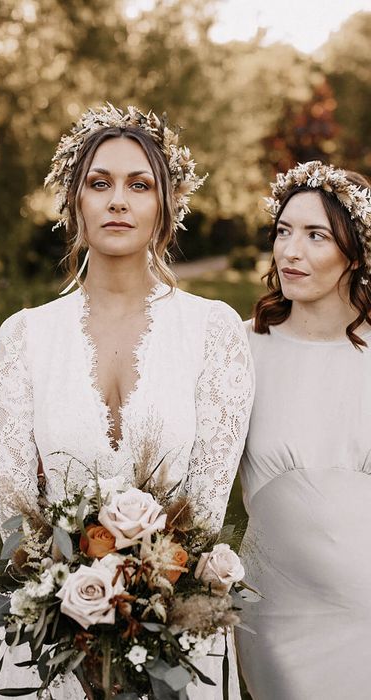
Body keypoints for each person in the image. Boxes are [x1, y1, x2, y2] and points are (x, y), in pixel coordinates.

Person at [0, 104, 254, 700]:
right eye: (99, 184)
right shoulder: (23, 337)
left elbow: (203, 512)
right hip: (49, 636)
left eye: (139, 184)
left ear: (167, 205)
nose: (118, 201)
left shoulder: (214, 332)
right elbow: (14, 507)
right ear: (74, 203)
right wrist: (71, 611)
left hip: (178, 632)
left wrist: (145, 615)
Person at [236, 162, 371, 700]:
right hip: (277, 608)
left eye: (315, 235)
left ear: (355, 253)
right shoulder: (242, 350)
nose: (290, 251)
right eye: (283, 231)